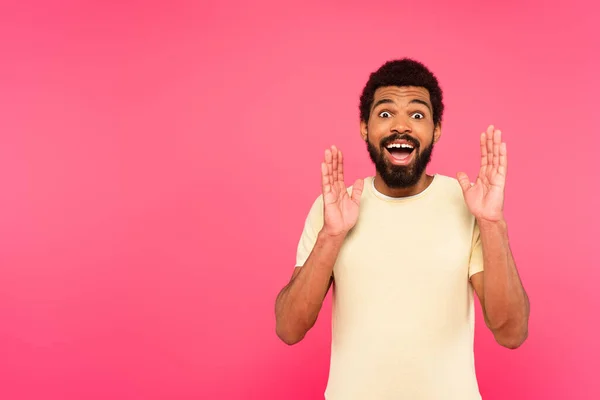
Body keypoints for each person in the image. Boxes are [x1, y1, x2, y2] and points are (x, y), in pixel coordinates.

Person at [274, 58, 530, 399]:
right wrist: (331, 236)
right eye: (384, 114)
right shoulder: (334, 206)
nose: (400, 127)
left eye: (417, 114)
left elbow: (511, 332)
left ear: (436, 129)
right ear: (364, 127)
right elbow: (289, 329)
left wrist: (493, 223)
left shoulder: (467, 203)